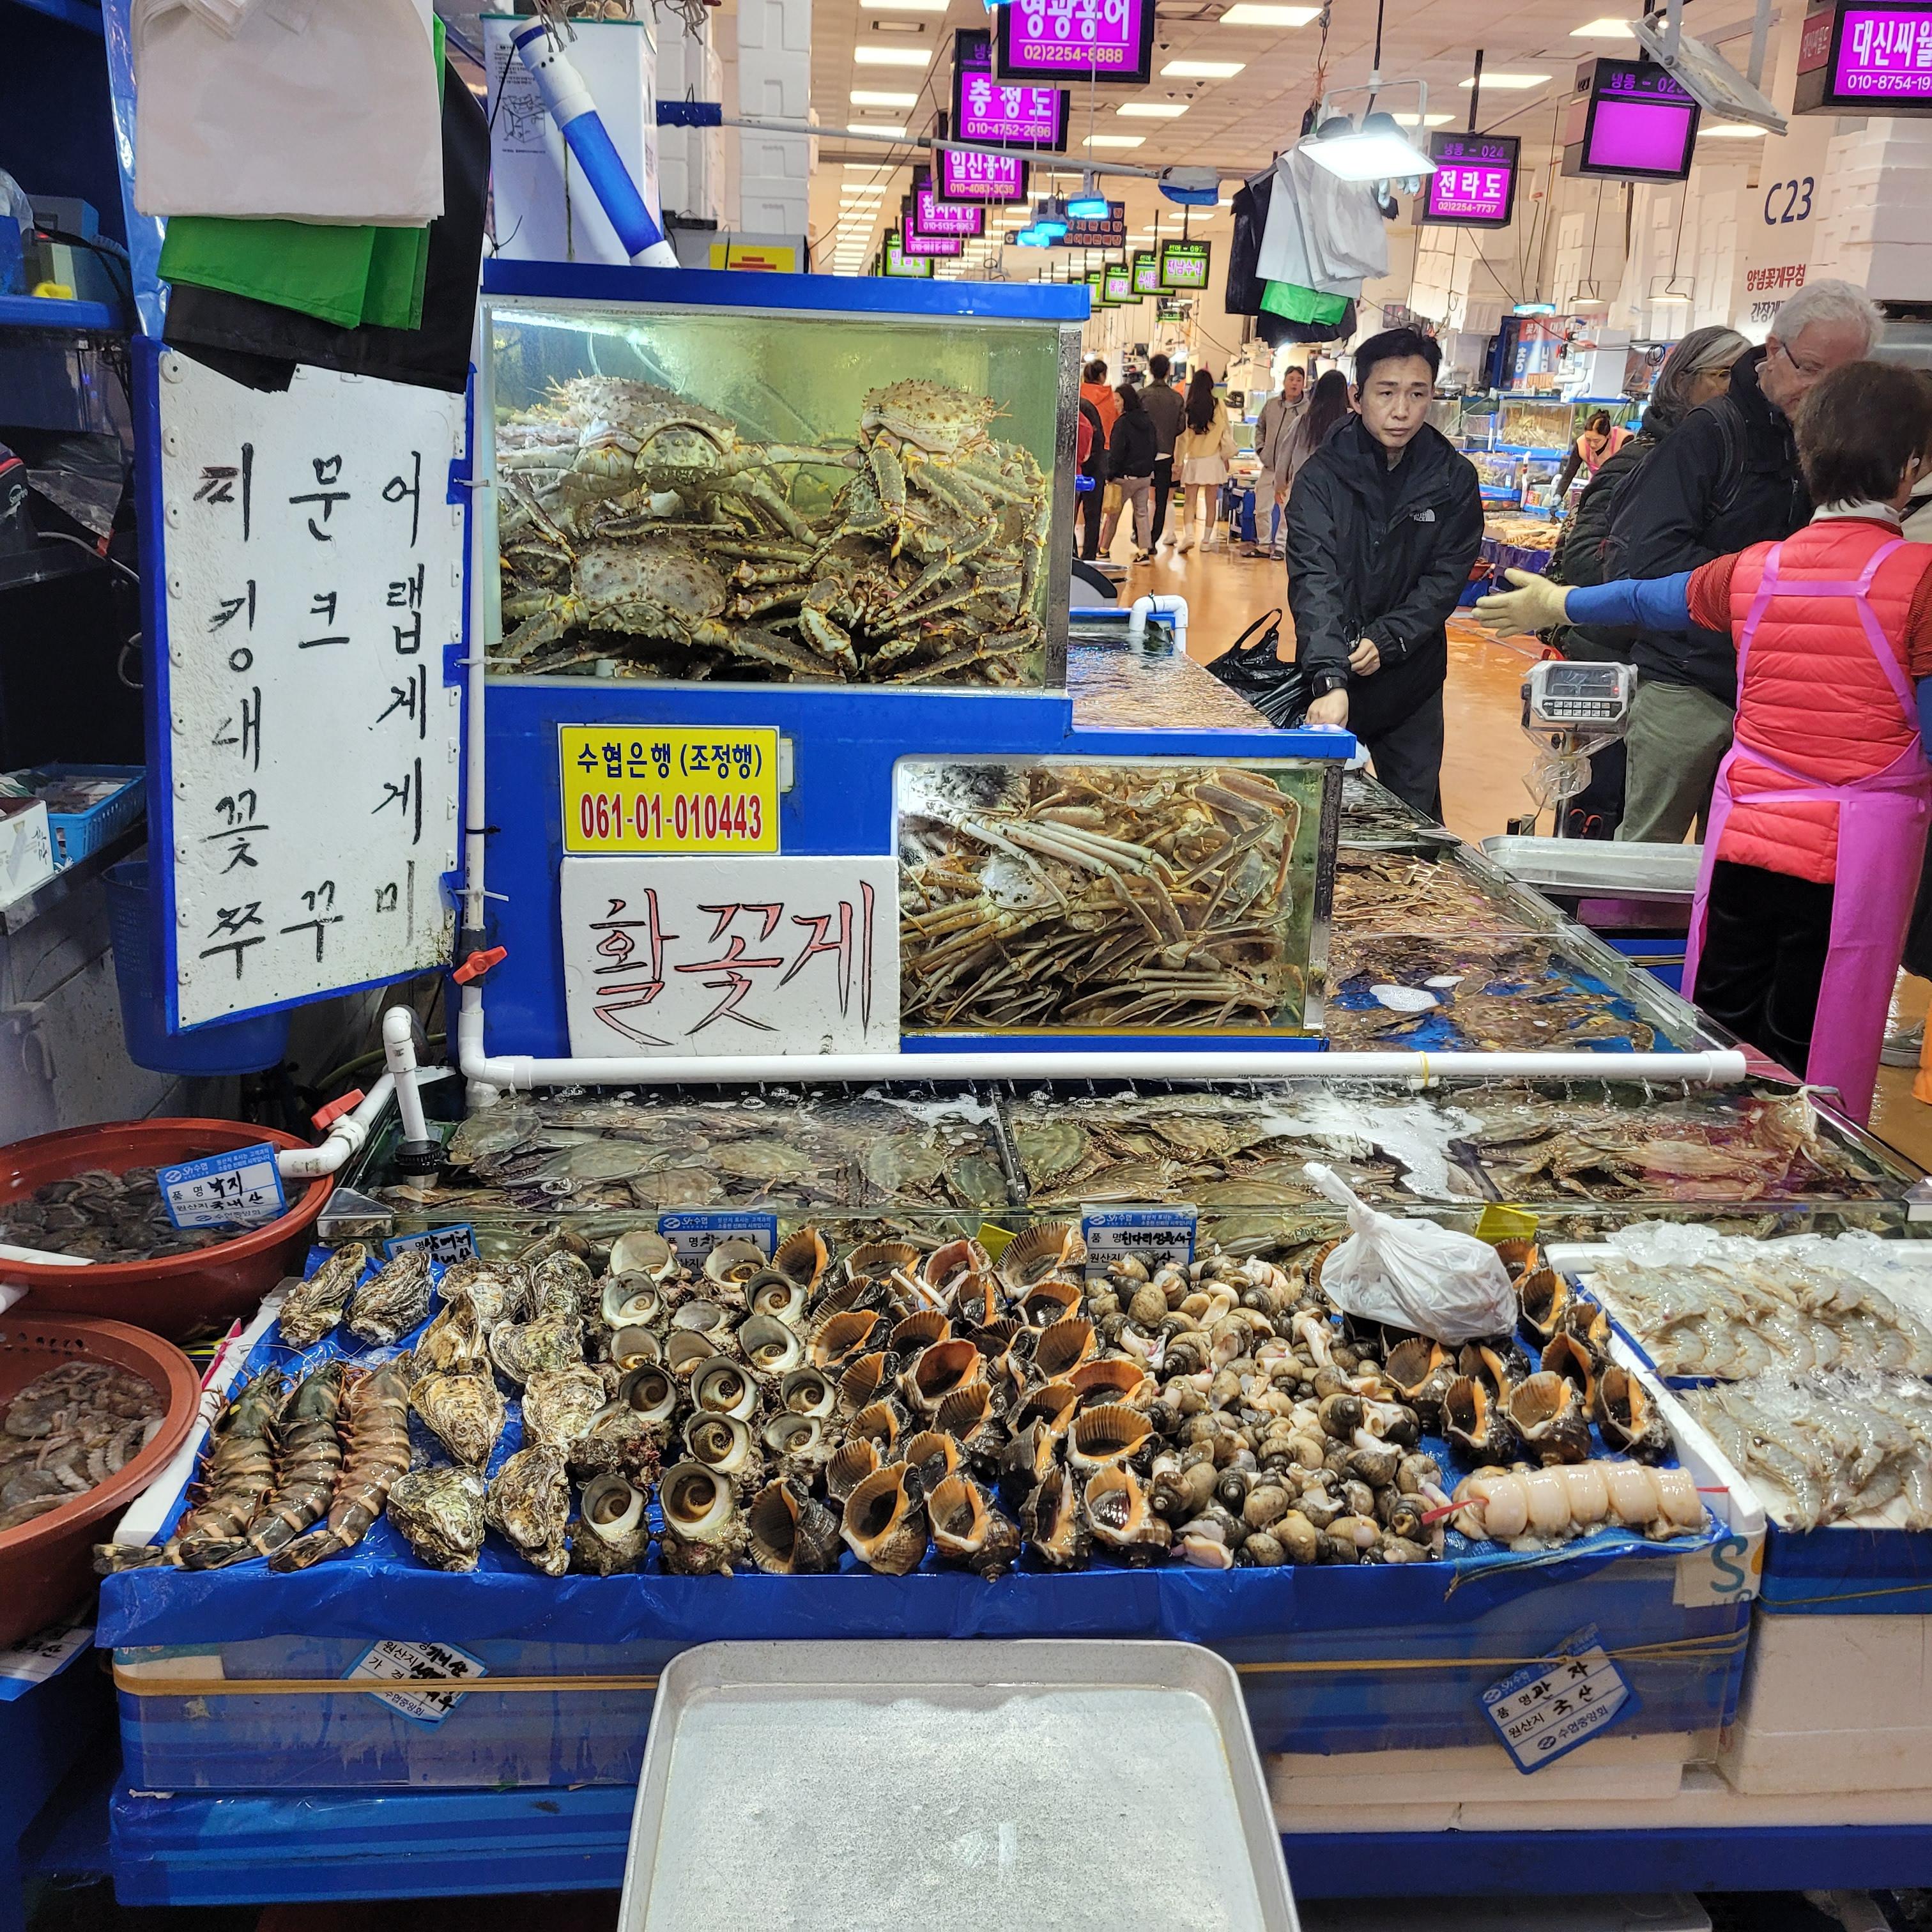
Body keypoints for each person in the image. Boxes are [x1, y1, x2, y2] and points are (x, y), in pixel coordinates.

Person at [1475, 360, 1932, 1125]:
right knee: (1817, 1042)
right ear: (1911, 467)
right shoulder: (1921, 581)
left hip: (1748, 832)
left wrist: (1559, 600)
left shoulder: (1757, 569)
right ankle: (1807, 1172)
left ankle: (1704, 1156)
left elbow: (1652, 599)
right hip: (1855, 855)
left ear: (1806, 459)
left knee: (1722, 1024)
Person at [1603, 279, 1883, 845]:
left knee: (1747, 854)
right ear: (1774, 350)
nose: (1822, 392)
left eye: (1841, 378)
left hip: (1783, 697)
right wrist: (1767, 584)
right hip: (1687, 685)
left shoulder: (1845, 447)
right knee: (1645, 859)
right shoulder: (1709, 435)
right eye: (1810, 369)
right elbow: (1643, 560)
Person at [1541, 326, 1749, 838]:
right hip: (1626, 672)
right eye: (1724, 374)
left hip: (1698, 669)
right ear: (1682, 381)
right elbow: (1585, 561)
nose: (1737, 387)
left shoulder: (1741, 464)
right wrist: (1666, 593)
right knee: (1610, 822)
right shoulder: (1642, 459)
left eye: (1745, 373)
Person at [1286, 328, 1483, 820]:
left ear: (1431, 396)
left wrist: (1391, 637)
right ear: (1357, 397)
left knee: (1413, 822)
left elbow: (1446, 578)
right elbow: (1314, 576)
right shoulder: (1321, 478)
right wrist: (1328, 676)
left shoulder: (1453, 479)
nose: (1401, 411)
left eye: (1417, 394)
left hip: (1412, 677)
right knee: (1316, 818)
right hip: (1334, 672)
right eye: (1386, 393)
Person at [1248, 365, 1308, 559]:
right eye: (1291, 379)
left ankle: (1281, 546)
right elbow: (1260, 428)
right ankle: (1264, 544)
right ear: (1284, 381)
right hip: (1269, 467)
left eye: (1299, 380)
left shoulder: (1307, 410)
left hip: (1291, 471)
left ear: (1303, 384)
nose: (1294, 383)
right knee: (1261, 508)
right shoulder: (1271, 405)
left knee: (1286, 510)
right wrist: (1261, 450)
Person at [1172, 370, 1233, 554]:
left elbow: (1183, 439)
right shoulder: (1219, 405)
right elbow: (1226, 432)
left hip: (1194, 460)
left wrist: (1178, 462)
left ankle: (1189, 535)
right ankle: (1206, 541)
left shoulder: (1189, 408)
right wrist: (1226, 457)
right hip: (1214, 459)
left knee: (1189, 501)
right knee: (1211, 502)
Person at [1100, 381, 1158, 562]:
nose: (1115, 404)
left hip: (1124, 478)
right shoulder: (1148, 421)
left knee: (1113, 514)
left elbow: (1117, 453)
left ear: (1126, 401)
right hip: (1144, 477)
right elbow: (1154, 447)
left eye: (1118, 401)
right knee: (1142, 514)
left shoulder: (1122, 424)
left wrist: (1110, 475)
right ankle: (1144, 551)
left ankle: (1103, 549)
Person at [1141, 353, 1186, 548]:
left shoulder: (1142, 395)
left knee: (1141, 499)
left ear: (1150, 370)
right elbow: (1181, 426)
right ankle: (1153, 539)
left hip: (1144, 454)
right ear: (1168, 371)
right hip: (1166, 453)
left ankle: (1140, 535)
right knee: (1161, 500)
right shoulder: (1176, 398)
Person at [1554, 410, 1630, 496]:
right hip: (1596, 487)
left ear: (1608, 436)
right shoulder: (1581, 444)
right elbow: (1569, 473)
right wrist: (1559, 494)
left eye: (1596, 441)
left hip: (1620, 488)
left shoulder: (1624, 440)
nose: (1592, 445)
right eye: (1588, 440)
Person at [1075, 390, 1107, 561]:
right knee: (1093, 515)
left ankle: (1071, 553)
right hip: (1095, 467)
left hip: (1077, 468)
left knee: (1068, 514)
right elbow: (1099, 438)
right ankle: (1089, 556)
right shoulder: (1088, 407)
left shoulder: (1075, 408)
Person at [1079, 358, 1119, 444]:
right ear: (1102, 376)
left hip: (1083, 444)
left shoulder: (1078, 396)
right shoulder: (1112, 398)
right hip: (1107, 444)